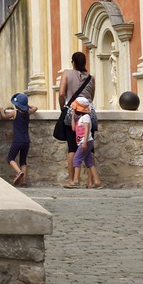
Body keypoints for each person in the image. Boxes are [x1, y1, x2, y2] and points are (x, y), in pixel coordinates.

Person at [55, 52, 95, 185]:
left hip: (72, 113)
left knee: (72, 147)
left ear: (73, 62)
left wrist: (63, 108)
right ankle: (90, 181)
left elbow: (61, 93)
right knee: (89, 147)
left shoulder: (66, 74)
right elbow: (91, 97)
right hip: (87, 113)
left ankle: (72, 180)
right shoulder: (91, 78)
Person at [2, 92, 36, 186]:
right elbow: (35, 108)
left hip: (17, 140)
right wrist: (27, 106)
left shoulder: (15, 112)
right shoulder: (28, 113)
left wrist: (1, 110)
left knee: (10, 158)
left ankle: (18, 172)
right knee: (23, 161)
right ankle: (24, 182)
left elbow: (4, 117)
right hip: (26, 140)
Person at [70, 98, 99, 187]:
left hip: (85, 142)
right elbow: (73, 129)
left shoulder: (86, 117)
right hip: (83, 142)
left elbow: (86, 130)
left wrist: (85, 142)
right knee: (89, 162)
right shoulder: (80, 118)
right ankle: (97, 181)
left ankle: (75, 181)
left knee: (76, 159)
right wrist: (72, 117)